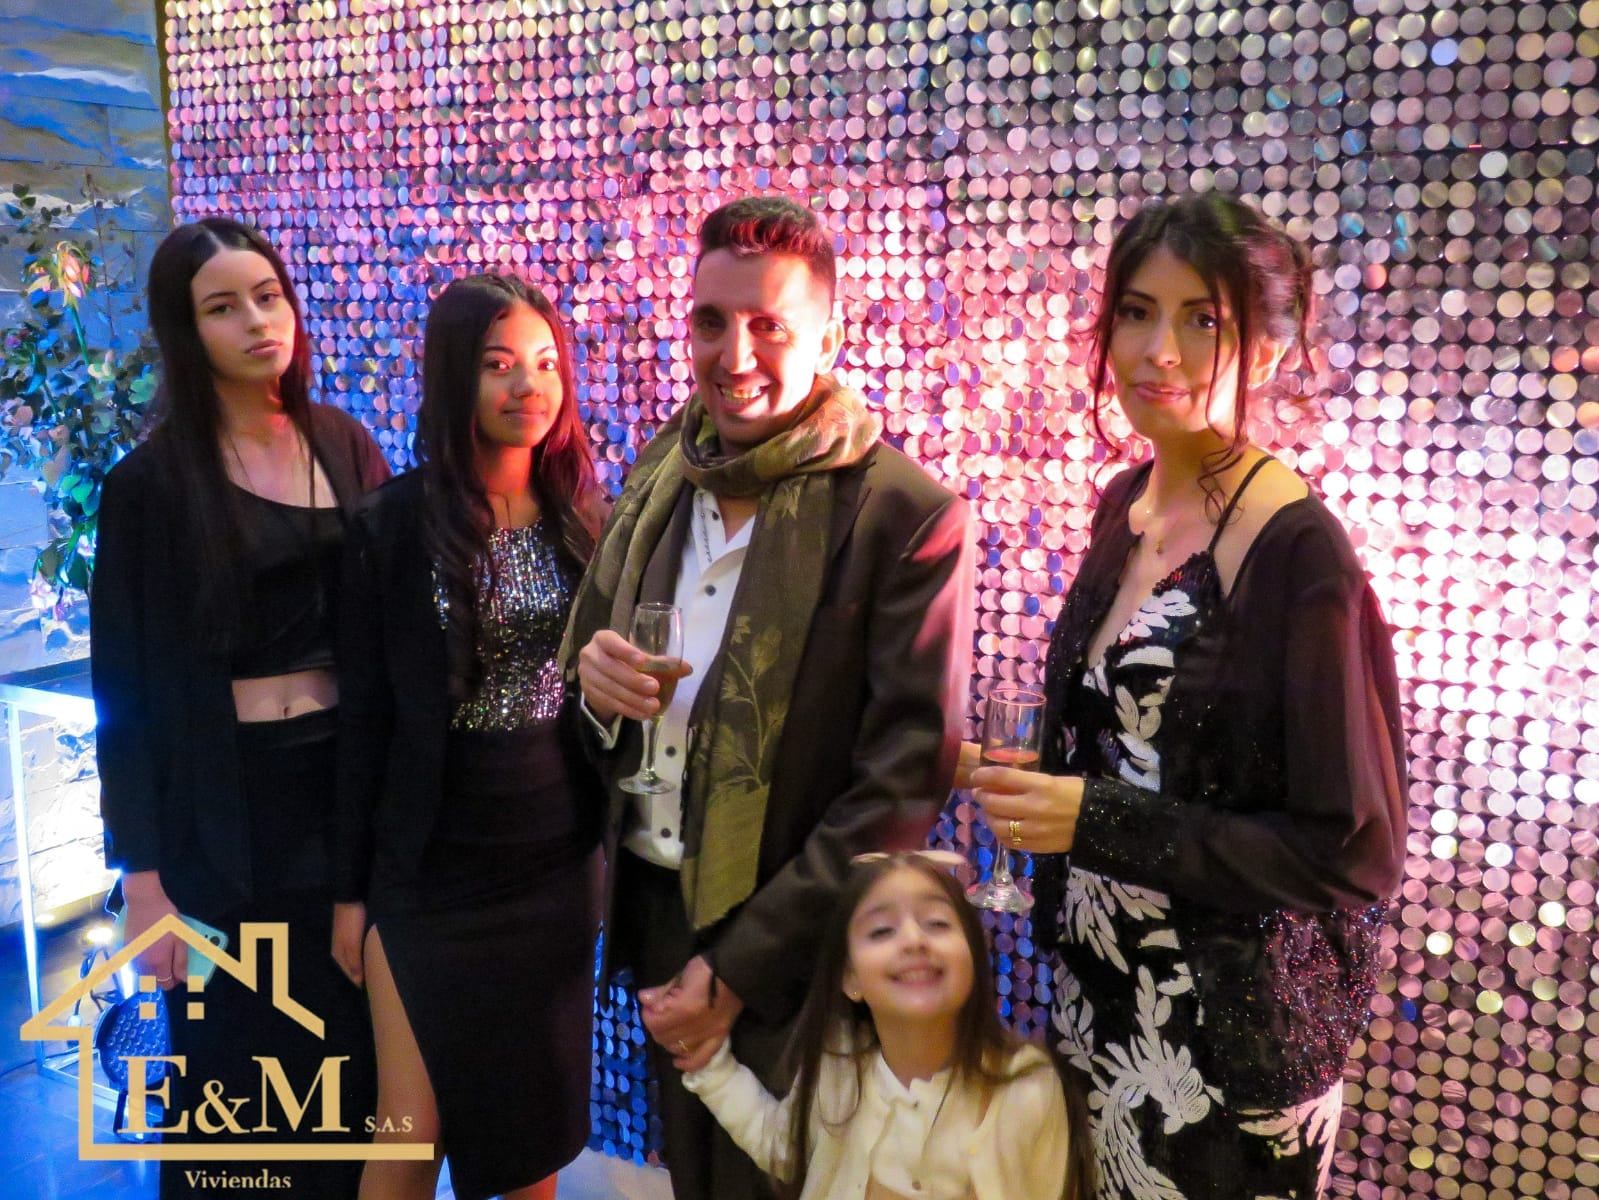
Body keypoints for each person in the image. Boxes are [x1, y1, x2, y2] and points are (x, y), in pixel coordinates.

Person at [967, 192, 1407, 1198]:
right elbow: (1133, 748)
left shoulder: (1295, 548)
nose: (1157, 350)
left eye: (1201, 319)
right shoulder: (1125, 503)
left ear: (1267, 349)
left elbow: (1352, 852)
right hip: (1098, 1005)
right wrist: (1017, 779)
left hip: (1227, 1050)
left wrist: (1095, 820)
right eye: (1135, 311)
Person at [563, 195, 976, 1199]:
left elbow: (901, 784)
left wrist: (739, 970)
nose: (733, 354)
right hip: (659, 922)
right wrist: (596, 695)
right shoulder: (662, 474)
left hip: (804, 953)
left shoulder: (902, 515)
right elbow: (594, 696)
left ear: (827, 339)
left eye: (769, 326)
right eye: (711, 321)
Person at [92, 217, 388, 1198]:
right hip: (222, 818)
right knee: (232, 1091)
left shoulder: (343, 443)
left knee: (346, 1078)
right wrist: (143, 881)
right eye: (223, 307)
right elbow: (124, 695)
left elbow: (390, 632)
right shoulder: (148, 485)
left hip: (340, 802)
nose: (259, 321)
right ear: (187, 331)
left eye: (269, 296)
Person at [331, 274, 605, 1200]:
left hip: (553, 859)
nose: (529, 386)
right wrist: (350, 892)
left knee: (532, 1136)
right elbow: (365, 721)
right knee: (408, 1128)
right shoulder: (389, 525)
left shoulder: (587, 519)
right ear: (455, 377)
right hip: (429, 861)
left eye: (545, 363)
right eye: (499, 365)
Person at [682, 852, 1086, 1199]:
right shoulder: (838, 1066)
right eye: (881, 930)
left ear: (973, 954)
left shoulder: (1027, 1089)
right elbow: (781, 1147)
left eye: (937, 923)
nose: (913, 939)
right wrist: (709, 1066)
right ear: (849, 978)